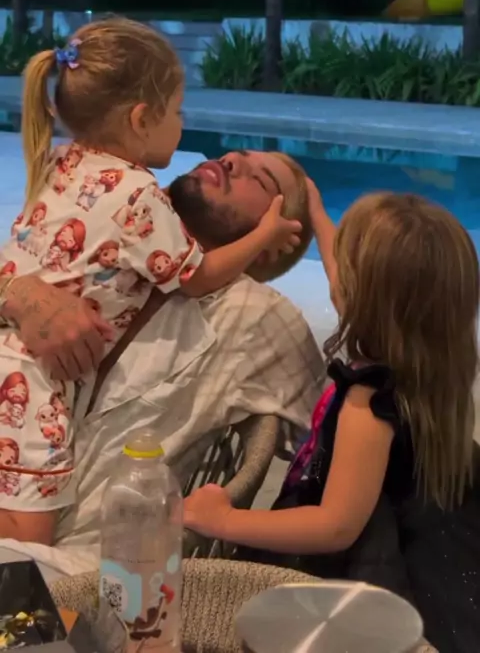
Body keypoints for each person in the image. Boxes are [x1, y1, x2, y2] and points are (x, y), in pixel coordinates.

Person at [0, 19, 302, 543]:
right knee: (28, 532)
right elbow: (197, 277)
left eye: (261, 178)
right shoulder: (139, 200)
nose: (230, 157)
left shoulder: (67, 166)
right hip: (33, 384)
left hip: (21, 374)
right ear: (141, 120)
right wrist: (264, 236)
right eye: (178, 112)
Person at [0, 147, 322, 572]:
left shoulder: (254, 317)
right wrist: (16, 293)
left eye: (260, 180)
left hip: (82, 576)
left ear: (271, 244)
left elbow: (341, 425)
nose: (230, 160)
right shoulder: (107, 237)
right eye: (235, 153)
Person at [184, 191, 480, 650]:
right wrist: (318, 213)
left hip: (368, 565)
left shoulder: (369, 404)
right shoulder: (431, 363)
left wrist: (223, 520)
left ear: (364, 299)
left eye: (343, 267)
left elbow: (335, 526)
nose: (332, 271)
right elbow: (350, 274)